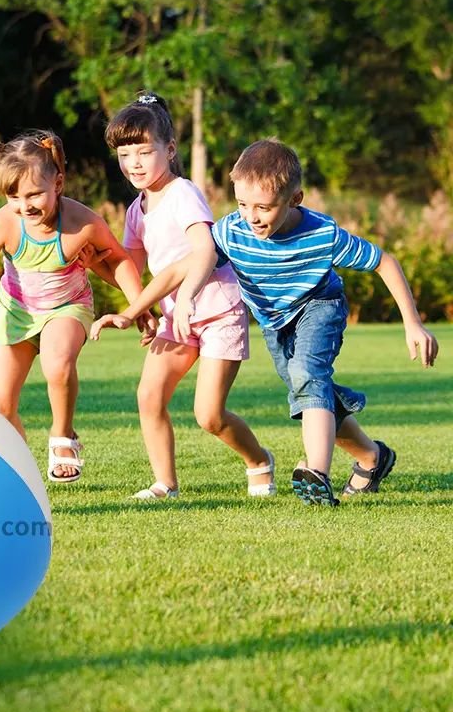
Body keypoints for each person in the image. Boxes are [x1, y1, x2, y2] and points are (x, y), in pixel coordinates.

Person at [93, 137, 440, 506]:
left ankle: (317, 476)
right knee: (311, 393)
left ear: (295, 199)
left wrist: (413, 323)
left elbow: (384, 261)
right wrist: (135, 311)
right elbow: (186, 265)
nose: (252, 217)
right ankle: (372, 457)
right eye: (243, 204)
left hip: (319, 305)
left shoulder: (323, 235)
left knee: (308, 375)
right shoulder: (233, 231)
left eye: (264, 207)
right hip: (275, 322)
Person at [91, 94, 275, 500]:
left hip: (217, 309)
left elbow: (205, 251)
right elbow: (129, 270)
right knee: (149, 394)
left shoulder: (183, 193)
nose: (134, 163)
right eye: (125, 154)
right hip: (178, 315)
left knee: (208, 415)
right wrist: (88, 262)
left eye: (145, 151)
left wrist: (185, 296)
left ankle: (259, 460)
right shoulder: (137, 209)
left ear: (170, 150)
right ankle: (165, 483)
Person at [0, 130, 152, 484]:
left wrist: (140, 305)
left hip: (67, 308)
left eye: (35, 194)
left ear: (58, 182)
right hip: (16, 314)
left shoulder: (81, 222)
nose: (25, 205)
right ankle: (21, 471)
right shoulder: (6, 224)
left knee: (57, 362)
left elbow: (118, 261)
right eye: (14, 196)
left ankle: (63, 436)